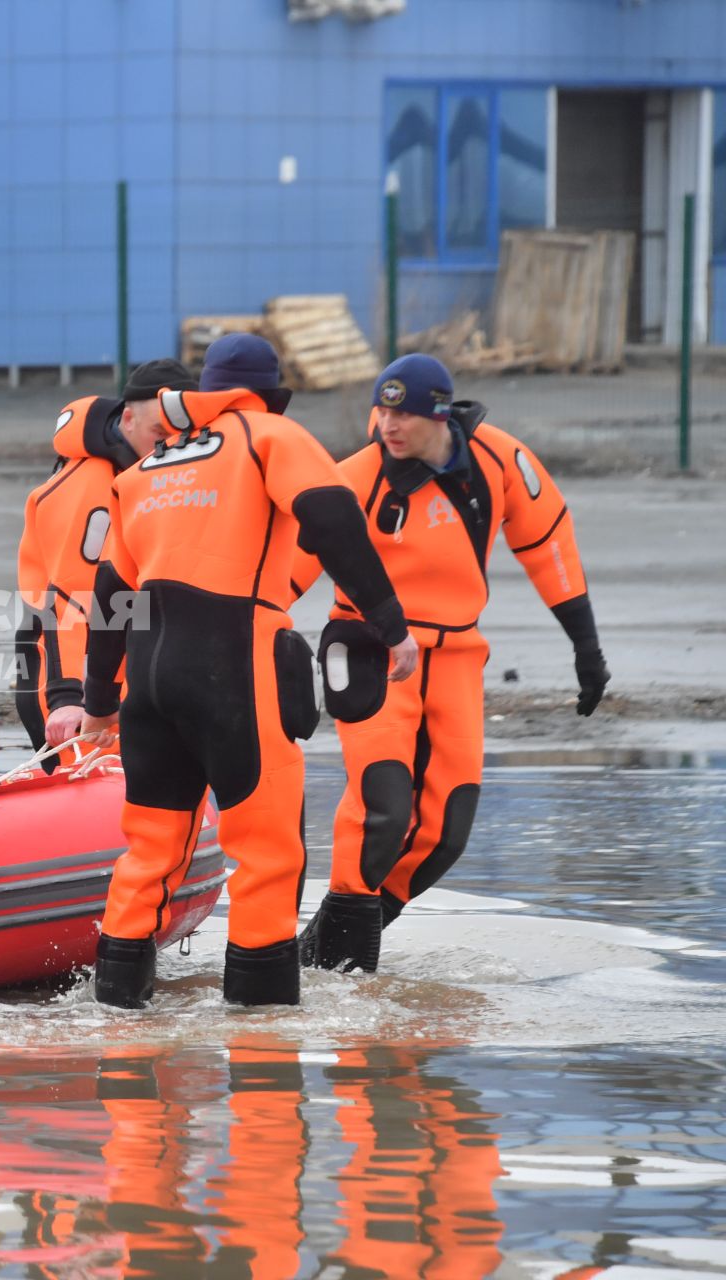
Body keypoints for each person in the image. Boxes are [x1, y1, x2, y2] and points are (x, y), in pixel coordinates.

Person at [77, 333, 418, 1008]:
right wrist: (391, 625)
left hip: (148, 679)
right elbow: (332, 520)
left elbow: (111, 594)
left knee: (150, 851)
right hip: (232, 664)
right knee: (266, 853)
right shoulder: (270, 436)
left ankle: (116, 1009)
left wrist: (98, 703)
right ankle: (262, 1041)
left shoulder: (147, 467)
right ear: (272, 394)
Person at [296, 354, 608, 972]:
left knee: (444, 835)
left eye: (404, 412)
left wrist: (586, 648)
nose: (389, 424)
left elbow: (550, 547)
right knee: (383, 810)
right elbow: (284, 569)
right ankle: (344, 986)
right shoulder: (355, 477)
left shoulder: (500, 462)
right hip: (366, 649)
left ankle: (322, 956)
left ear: (440, 413)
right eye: (383, 409)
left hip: (458, 655)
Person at [18, 359, 199, 759]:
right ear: (129, 419)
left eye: (180, 435)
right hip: (70, 676)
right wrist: (67, 696)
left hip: (122, 669)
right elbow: (65, 596)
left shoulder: (151, 473)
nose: (168, 445)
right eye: (158, 433)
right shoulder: (92, 484)